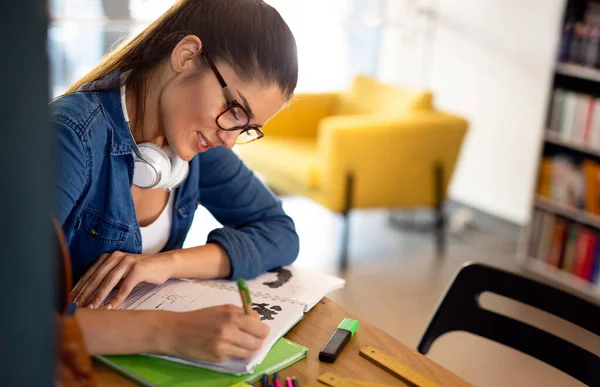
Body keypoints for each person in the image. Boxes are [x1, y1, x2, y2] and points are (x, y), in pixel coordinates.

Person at [50, 0, 299, 363]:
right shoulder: (69, 137)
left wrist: (165, 264)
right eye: (235, 110)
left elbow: (280, 232)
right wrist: (170, 331)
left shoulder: (198, 140)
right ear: (186, 55)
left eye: (247, 128)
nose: (229, 139)